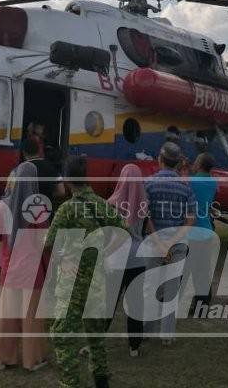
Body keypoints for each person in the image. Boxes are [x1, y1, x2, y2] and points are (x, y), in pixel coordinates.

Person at [45, 155, 126, 388]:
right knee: (96, 338)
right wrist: (105, 251)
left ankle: (71, 382)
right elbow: (125, 231)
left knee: (63, 337)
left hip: (71, 285)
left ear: (68, 180)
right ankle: (101, 381)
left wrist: (63, 258)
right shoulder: (103, 205)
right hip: (97, 283)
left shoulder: (66, 209)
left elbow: (48, 242)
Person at [0, 161, 50, 372]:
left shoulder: (3, 204)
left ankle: (2, 357)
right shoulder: (38, 206)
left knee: (7, 314)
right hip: (31, 269)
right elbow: (43, 240)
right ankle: (32, 360)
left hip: (9, 265)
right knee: (31, 316)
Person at [144, 141, 196, 344]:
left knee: (150, 286)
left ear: (160, 158)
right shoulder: (185, 186)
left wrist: (158, 241)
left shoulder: (148, 183)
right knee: (172, 290)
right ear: (177, 163)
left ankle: (147, 331)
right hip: (178, 244)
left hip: (154, 243)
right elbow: (190, 219)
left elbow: (145, 216)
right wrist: (172, 242)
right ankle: (167, 335)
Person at [105, 163, 151, 357]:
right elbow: (146, 230)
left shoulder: (111, 203)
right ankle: (134, 346)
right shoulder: (144, 203)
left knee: (107, 303)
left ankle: (95, 341)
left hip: (116, 259)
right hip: (139, 258)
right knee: (135, 303)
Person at [186, 153, 219, 309]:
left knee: (187, 268)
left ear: (199, 164)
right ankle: (203, 303)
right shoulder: (213, 183)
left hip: (192, 230)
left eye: (196, 160)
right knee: (203, 269)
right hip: (206, 229)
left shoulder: (191, 181)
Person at [21, 137, 59, 216]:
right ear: (39, 150)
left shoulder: (18, 171)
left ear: (23, 152)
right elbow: (61, 191)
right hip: (46, 213)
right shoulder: (51, 168)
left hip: (25, 215)